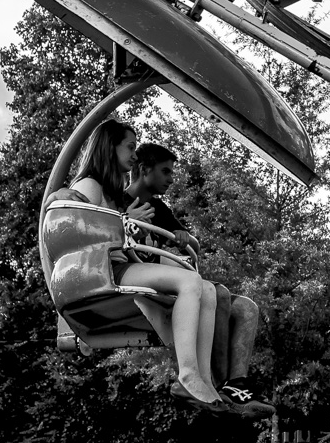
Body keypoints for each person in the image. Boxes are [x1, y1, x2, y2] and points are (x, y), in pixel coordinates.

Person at [66, 120, 240, 414]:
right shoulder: (90, 186)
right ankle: (187, 375)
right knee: (190, 283)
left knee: (206, 289)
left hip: (122, 266)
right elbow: (74, 228)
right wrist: (123, 219)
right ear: (110, 146)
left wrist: (125, 221)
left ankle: (203, 380)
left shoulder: (111, 190)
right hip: (103, 273)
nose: (135, 156)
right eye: (130, 148)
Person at [127, 143, 275, 419]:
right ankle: (216, 387)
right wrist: (126, 219)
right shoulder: (119, 202)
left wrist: (184, 238)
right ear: (144, 170)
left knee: (246, 308)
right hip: (145, 283)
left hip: (170, 277)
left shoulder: (159, 208)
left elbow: (191, 241)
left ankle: (236, 384)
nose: (171, 178)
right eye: (165, 171)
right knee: (214, 293)